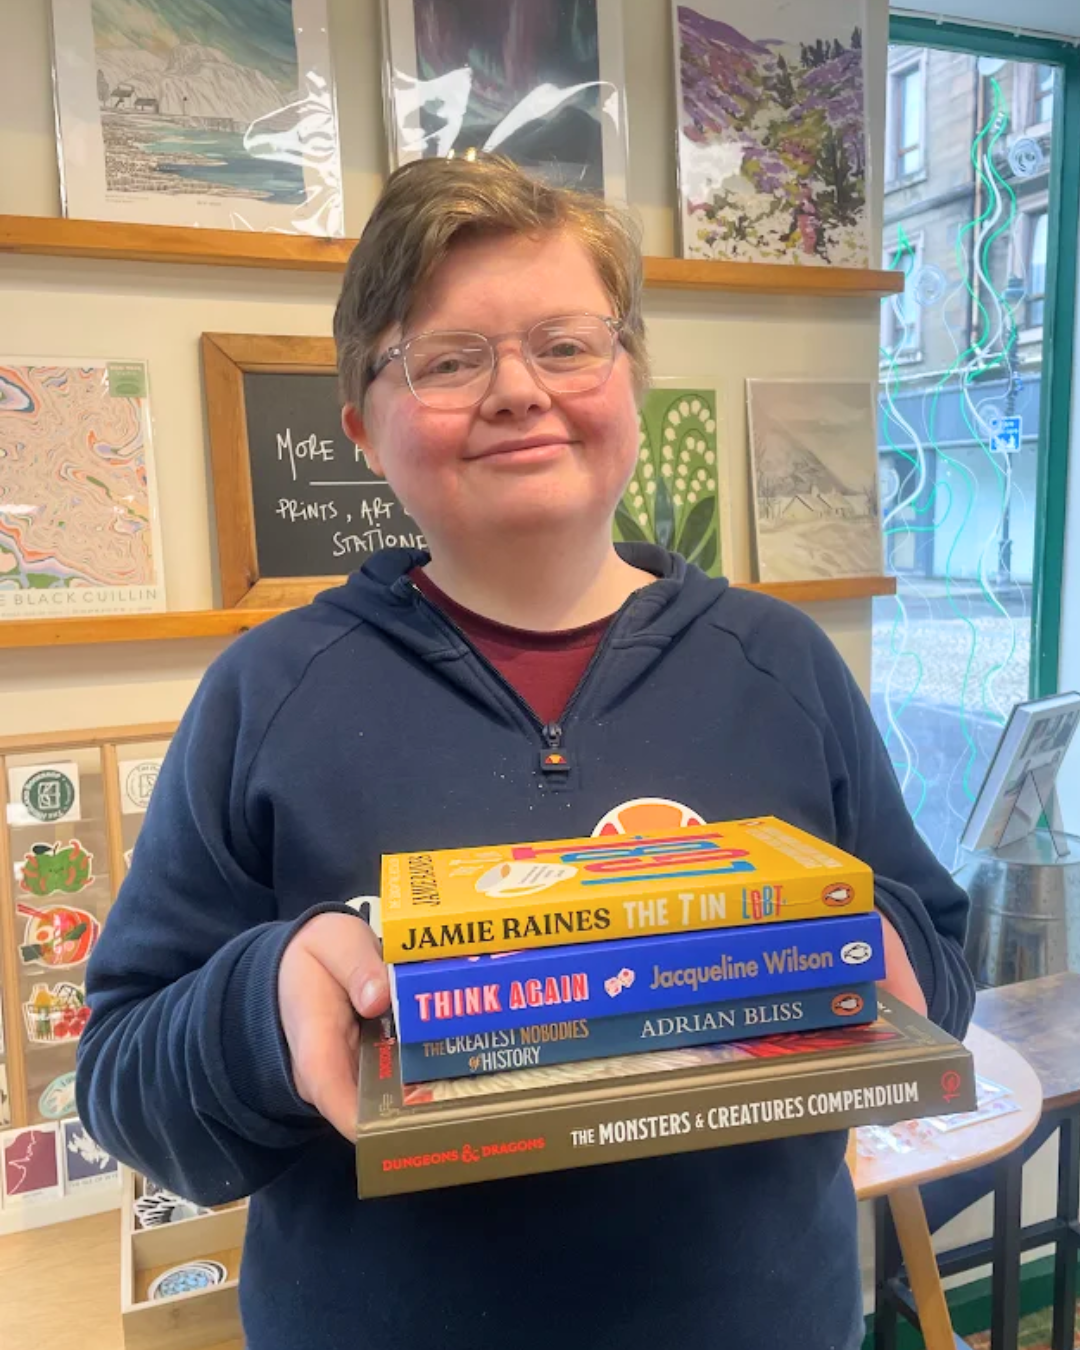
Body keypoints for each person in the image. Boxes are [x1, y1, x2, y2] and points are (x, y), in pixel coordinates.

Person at [77, 154, 975, 1350]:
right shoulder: (265, 692)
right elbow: (123, 1081)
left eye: (566, 345)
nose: (517, 391)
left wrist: (875, 950)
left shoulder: (786, 666)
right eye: (448, 361)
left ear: (632, 382)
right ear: (362, 426)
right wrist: (267, 1002)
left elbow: (938, 957)